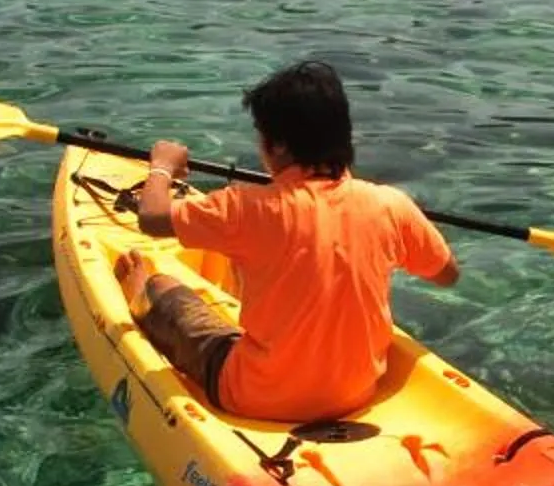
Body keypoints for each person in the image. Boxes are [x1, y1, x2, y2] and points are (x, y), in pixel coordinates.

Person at [112, 58, 459, 421]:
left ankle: (140, 294)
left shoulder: (244, 207)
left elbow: (152, 218)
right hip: (355, 394)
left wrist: (162, 167)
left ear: (276, 146)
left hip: (256, 396)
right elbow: (447, 274)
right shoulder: (390, 204)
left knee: (163, 287)